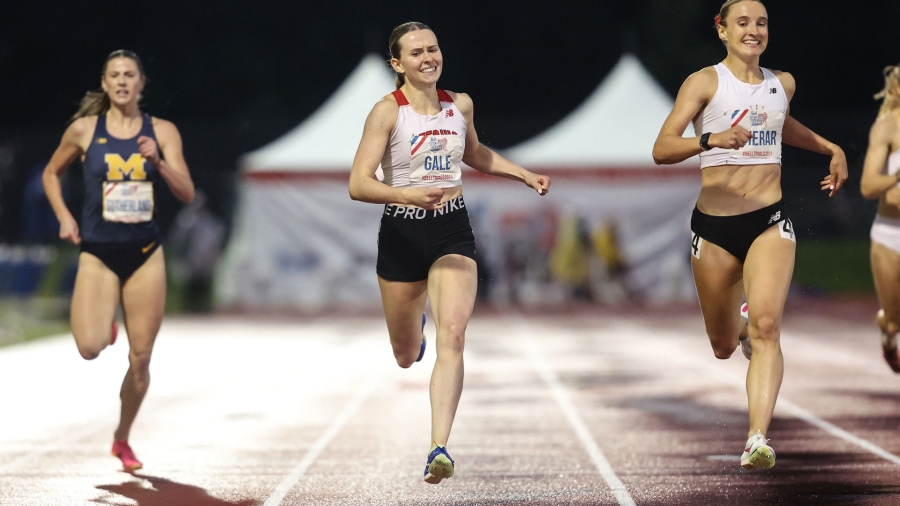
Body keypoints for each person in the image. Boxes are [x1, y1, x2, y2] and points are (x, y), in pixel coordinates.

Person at [348, 22, 550, 483]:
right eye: (415, 53)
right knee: (404, 355)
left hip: (450, 231)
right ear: (397, 64)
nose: (427, 58)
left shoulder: (460, 105)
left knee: (454, 334)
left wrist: (523, 174)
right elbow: (359, 184)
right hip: (401, 233)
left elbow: (475, 155)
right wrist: (407, 196)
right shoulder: (387, 112)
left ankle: (439, 447)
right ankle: (412, 329)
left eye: (433, 49)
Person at [652, 0, 847, 470]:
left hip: (769, 223)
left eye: (761, 23)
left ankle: (757, 438)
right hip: (714, 230)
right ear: (722, 30)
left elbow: (781, 124)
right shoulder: (704, 82)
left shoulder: (784, 84)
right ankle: (737, 329)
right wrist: (708, 140)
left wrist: (830, 147)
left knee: (768, 327)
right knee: (723, 345)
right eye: (743, 23)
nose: (753, 30)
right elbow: (661, 148)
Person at [42, 50, 195, 471]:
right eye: (115, 75)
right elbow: (51, 173)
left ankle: (122, 437)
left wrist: (159, 163)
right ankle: (104, 318)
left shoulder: (161, 131)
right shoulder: (84, 130)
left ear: (142, 82)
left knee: (141, 358)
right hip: (98, 253)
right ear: (105, 83)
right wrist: (64, 217)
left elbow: (188, 193)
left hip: (145, 254)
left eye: (130, 75)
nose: (123, 81)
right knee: (90, 347)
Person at [860, 63, 900, 373]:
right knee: (895, 318)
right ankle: (888, 333)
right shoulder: (886, 127)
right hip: (890, 233)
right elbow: (869, 186)